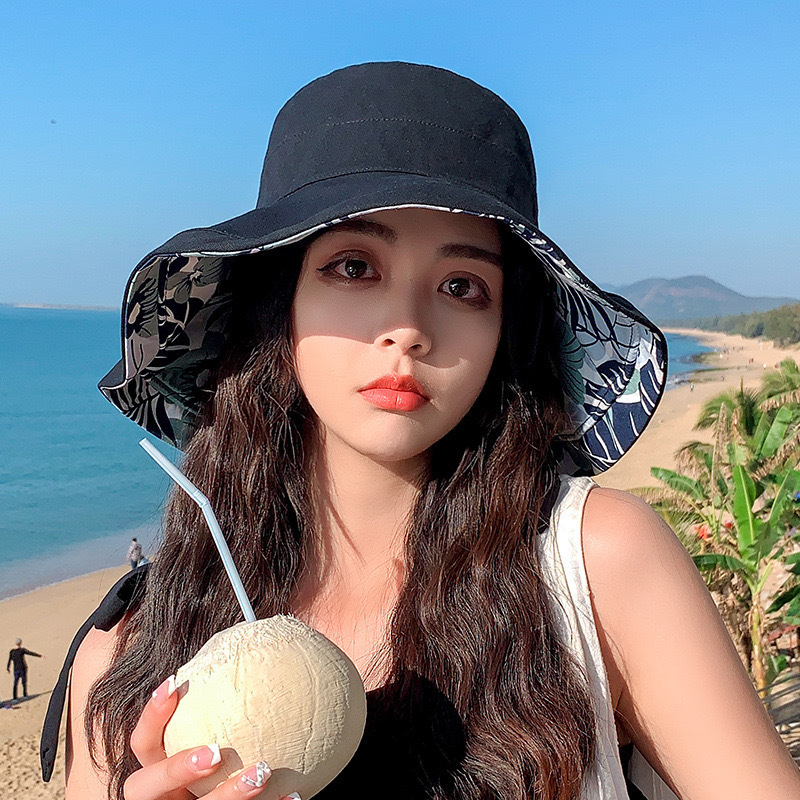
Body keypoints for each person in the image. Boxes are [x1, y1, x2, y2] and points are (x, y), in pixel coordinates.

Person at [48, 63, 800, 799]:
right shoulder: (130, 651)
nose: (407, 327)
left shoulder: (595, 567)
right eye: (353, 267)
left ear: (505, 329)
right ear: (280, 302)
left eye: (461, 286)